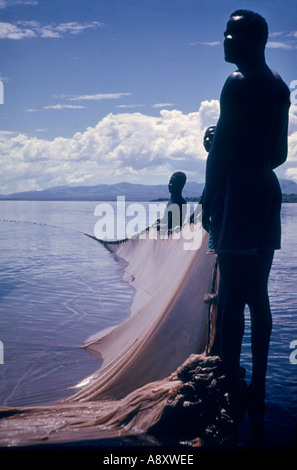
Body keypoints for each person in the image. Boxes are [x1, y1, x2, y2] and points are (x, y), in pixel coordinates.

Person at [202, 10, 290, 421]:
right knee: (258, 292)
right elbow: (278, 154)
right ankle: (256, 385)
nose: (225, 38)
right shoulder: (278, 86)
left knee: (232, 297)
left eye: (232, 34)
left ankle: (227, 382)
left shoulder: (237, 83)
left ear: (252, 40)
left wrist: (208, 193)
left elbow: (222, 152)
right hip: (266, 188)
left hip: (238, 188)